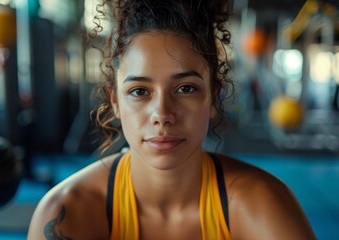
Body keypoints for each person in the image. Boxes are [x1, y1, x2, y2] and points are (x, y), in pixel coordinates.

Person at [27, 0, 316, 239]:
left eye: (186, 88)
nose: (162, 115)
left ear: (213, 98)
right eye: (139, 91)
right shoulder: (66, 212)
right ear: (115, 102)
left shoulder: (262, 204)